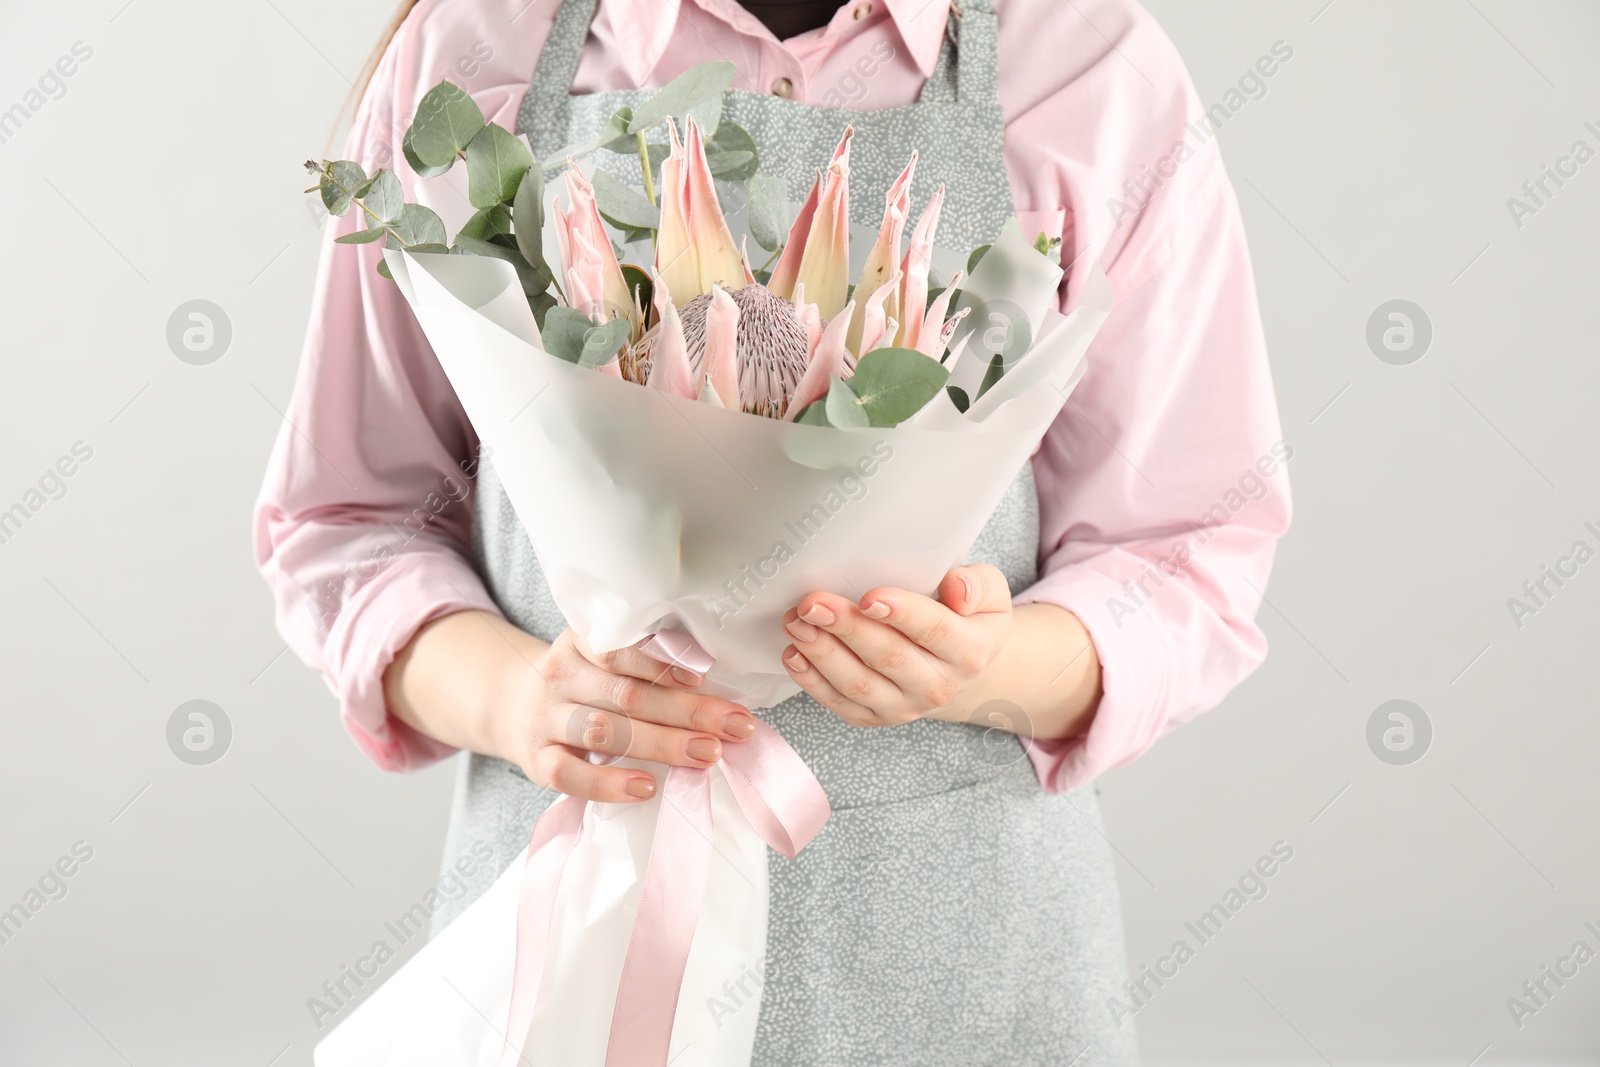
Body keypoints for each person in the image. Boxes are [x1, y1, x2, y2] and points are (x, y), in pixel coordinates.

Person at [254, 1, 1290, 1062]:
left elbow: (1189, 545)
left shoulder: (1091, 66)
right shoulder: (479, 46)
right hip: (573, 931)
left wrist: (984, 664)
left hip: (970, 965)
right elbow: (347, 522)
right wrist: (520, 697)